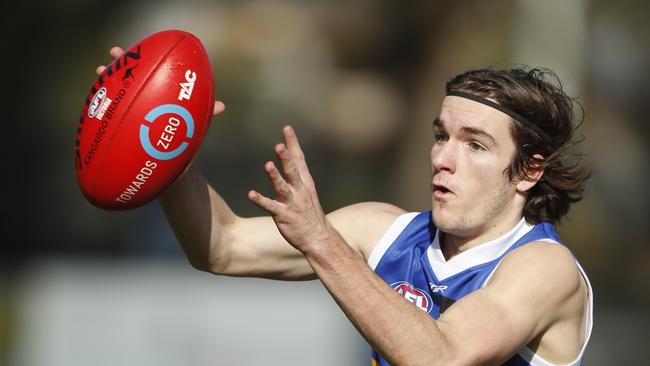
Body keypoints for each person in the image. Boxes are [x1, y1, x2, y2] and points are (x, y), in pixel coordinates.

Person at [97, 47, 593, 365]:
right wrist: (166, 145)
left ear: (529, 169)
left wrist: (320, 242)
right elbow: (221, 248)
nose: (443, 158)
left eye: (476, 145)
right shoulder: (382, 230)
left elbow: (441, 359)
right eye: (441, 136)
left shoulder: (543, 268)